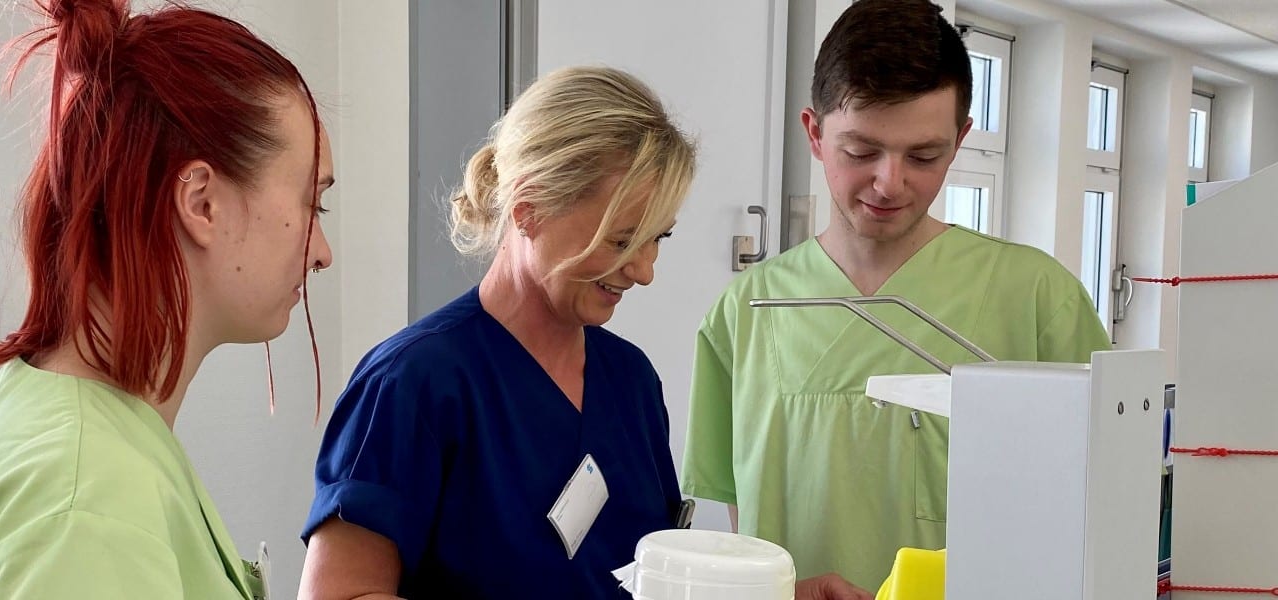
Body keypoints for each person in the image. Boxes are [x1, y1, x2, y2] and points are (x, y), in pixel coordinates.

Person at [680, 0, 1112, 592]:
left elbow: (1102, 501)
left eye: (924, 156)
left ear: (959, 141)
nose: (890, 182)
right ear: (814, 132)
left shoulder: (1038, 299)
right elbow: (740, 516)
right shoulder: (746, 311)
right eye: (860, 152)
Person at [297, 66, 695, 599]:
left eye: (658, 238)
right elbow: (339, 594)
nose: (645, 271)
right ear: (528, 211)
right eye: (622, 240)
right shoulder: (412, 385)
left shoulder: (631, 382)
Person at [0, 0, 335, 598]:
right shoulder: (91, 503)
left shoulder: (72, 422)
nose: (322, 251)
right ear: (202, 202)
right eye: (314, 204)